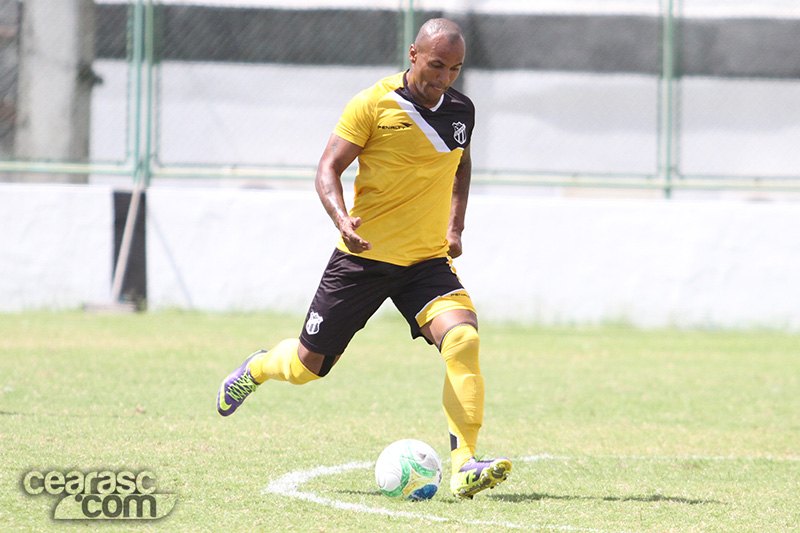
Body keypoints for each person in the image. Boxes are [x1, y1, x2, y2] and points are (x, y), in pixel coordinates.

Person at [216, 18, 511, 499]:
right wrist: (342, 220)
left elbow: (462, 165)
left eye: (454, 69)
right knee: (306, 368)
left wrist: (455, 226)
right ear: (413, 54)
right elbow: (328, 168)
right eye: (436, 65)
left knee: (462, 339)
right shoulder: (372, 104)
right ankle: (258, 367)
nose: (443, 78)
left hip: (425, 260)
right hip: (363, 258)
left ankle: (465, 464)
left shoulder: (461, 110)